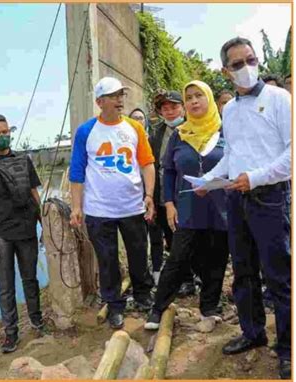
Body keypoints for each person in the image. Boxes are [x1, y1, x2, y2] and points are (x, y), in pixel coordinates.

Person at [198, 37, 291, 379]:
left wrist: (255, 177)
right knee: (243, 272)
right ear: (225, 71)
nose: (247, 68)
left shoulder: (280, 99)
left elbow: (291, 155)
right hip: (236, 200)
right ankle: (253, 333)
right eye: (237, 64)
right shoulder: (230, 110)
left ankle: (288, 348)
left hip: (269, 197)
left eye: (250, 60)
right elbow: (233, 157)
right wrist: (208, 180)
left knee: (279, 276)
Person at [69, 77, 156, 329]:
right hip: (99, 210)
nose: (120, 100)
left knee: (139, 254)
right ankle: (115, 305)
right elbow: (77, 171)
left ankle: (142, 295)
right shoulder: (86, 131)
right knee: (106, 260)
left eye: (121, 95)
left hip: (132, 206)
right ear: (99, 102)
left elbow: (147, 163)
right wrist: (76, 207)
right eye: (113, 95)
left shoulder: (134, 128)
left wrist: (149, 195)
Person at [145, 80, 229, 330]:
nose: (194, 101)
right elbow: (169, 171)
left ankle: (209, 308)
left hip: (221, 206)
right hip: (188, 207)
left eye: (198, 96)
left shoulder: (226, 131)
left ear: (209, 99)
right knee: (178, 258)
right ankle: (158, 309)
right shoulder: (180, 135)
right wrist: (169, 204)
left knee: (216, 258)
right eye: (189, 97)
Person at [0, 113, 44, 353]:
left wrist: (44, 223)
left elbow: (34, 192)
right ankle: (10, 334)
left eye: (5, 132)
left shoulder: (24, 160)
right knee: (6, 286)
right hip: (0, 234)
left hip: (26, 229)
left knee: (30, 279)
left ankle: (37, 321)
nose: (3, 137)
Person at [148, 90, 197, 294]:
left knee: (191, 238)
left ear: (183, 108)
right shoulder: (157, 133)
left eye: (174, 107)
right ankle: (185, 279)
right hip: (163, 194)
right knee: (171, 237)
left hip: (188, 192)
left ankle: (195, 276)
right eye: (165, 109)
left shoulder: (194, 128)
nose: (169, 112)